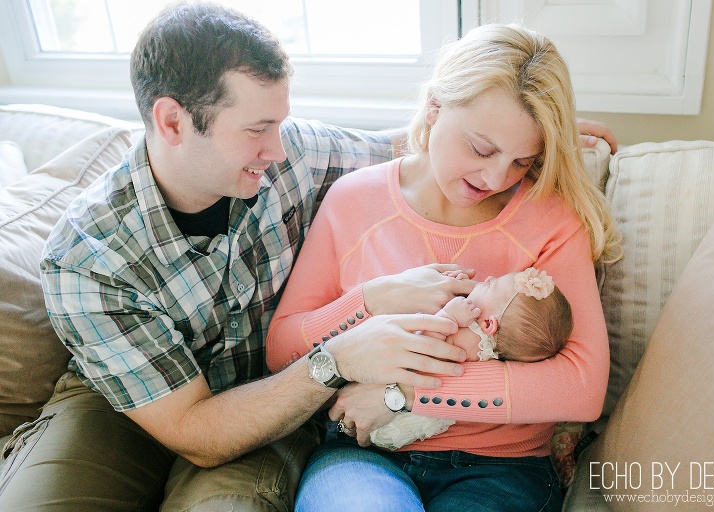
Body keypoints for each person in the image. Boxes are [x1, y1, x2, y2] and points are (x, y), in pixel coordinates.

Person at [0, 4, 616, 511]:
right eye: (256, 130)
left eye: (281, 124)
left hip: (317, 418)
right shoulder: (88, 259)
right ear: (172, 122)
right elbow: (198, 430)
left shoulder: (296, 156)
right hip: (149, 404)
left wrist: (539, 138)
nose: (277, 148)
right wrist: (358, 323)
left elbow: (414, 148)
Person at [265, 21, 623, 512]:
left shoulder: (552, 218)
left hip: (502, 465)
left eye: (522, 160)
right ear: (434, 108)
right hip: (364, 455)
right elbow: (281, 347)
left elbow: (581, 387)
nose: (496, 177)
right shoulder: (355, 201)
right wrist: (367, 301)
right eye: (481, 148)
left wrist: (405, 395)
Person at [369, 267, 573, 451]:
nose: (489, 276)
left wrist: (448, 316)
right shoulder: (483, 342)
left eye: (490, 285)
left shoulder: (467, 341)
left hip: (392, 411)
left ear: (487, 325)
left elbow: (423, 357)